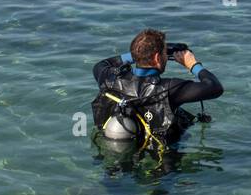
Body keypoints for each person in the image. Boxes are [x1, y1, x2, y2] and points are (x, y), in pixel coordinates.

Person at [91, 29, 224, 155]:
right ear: (157, 58)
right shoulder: (170, 88)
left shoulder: (108, 79)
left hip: (119, 139)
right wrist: (192, 64)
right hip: (161, 155)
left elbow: (103, 63)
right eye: (165, 54)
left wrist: (139, 54)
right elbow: (215, 87)